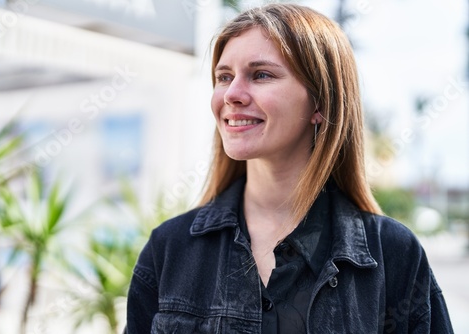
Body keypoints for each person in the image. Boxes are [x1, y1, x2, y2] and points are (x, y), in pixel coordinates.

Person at [125, 3, 453, 333]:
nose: (232, 94)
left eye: (261, 74)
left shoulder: (394, 255)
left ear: (320, 103)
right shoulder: (169, 248)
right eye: (224, 77)